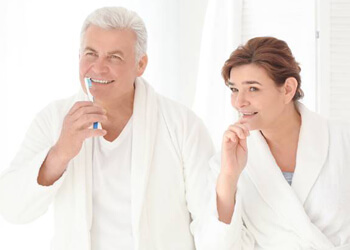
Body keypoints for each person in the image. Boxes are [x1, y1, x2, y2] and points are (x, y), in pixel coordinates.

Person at [0, 7, 215, 250]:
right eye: (91, 54)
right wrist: (59, 154)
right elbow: (11, 208)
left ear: (140, 64)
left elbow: (210, 221)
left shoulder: (182, 125)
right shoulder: (54, 119)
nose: (98, 68)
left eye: (114, 57)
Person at [195, 37, 350, 249]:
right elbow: (215, 246)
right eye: (234, 89)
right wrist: (229, 177)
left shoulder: (342, 141)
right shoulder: (225, 164)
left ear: (288, 89)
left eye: (253, 89)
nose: (239, 102)